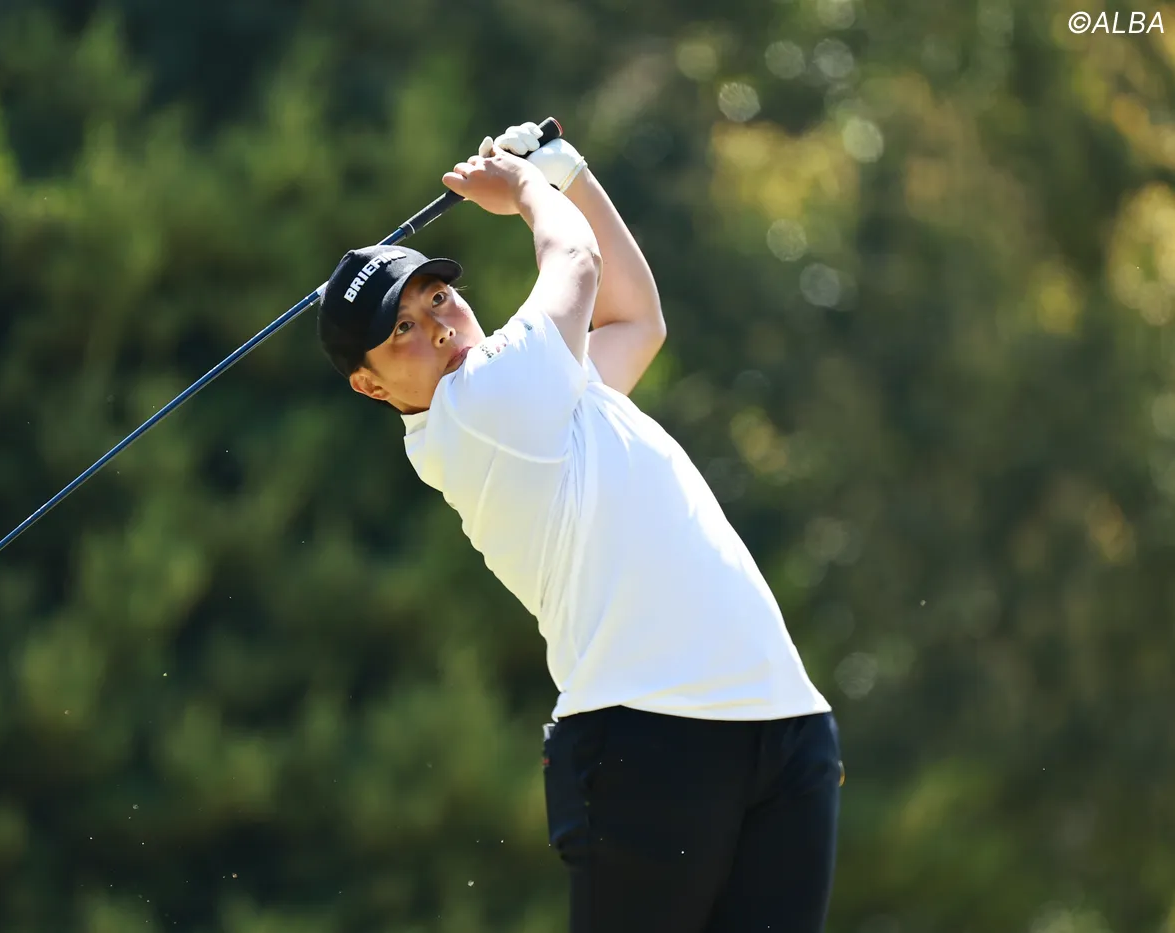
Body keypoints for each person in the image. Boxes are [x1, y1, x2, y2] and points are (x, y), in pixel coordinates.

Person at [316, 122, 843, 933]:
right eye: (402, 331)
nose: (439, 326)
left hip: (780, 721)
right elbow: (577, 261)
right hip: (647, 741)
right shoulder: (477, 409)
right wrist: (526, 189)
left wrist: (570, 173)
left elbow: (637, 320)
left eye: (437, 298)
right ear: (371, 386)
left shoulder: (538, 390)